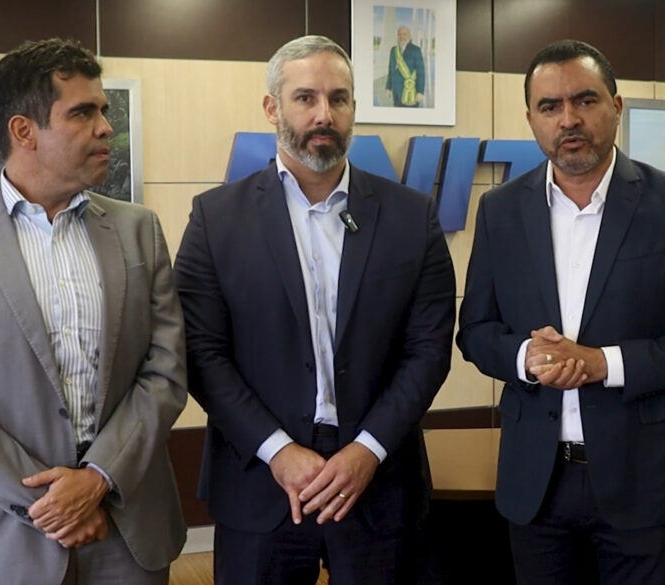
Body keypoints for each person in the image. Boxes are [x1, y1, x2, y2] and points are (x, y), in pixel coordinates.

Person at [456, 39, 665, 585]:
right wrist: (525, 356)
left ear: (616, 106)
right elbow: (476, 330)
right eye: (550, 106)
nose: (568, 119)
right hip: (537, 483)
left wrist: (601, 363)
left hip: (644, 480)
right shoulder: (500, 210)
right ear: (531, 120)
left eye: (584, 101)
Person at [174, 35, 455, 585]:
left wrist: (367, 451)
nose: (324, 114)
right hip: (260, 480)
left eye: (338, 98)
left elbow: (428, 351)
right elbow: (201, 353)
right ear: (272, 107)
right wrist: (279, 452)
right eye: (305, 97)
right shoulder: (216, 219)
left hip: (378, 482)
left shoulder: (411, 216)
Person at [0, 38, 187, 585]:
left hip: (127, 528)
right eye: (83, 113)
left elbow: (166, 369)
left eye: (104, 110)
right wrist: (54, 505)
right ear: (23, 131)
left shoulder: (139, 230)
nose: (106, 128)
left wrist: (99, 478)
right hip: (6, 537)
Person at [385, 26, 426, 107]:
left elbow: (421, 72)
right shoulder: (393, 50)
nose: (402, 37)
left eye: (404, 34)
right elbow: (390, 70)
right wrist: (388, 87)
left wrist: (420, 92)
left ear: (409, 36)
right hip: (396, 93)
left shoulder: (416, 50)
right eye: (399, 34)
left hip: (411, 92)